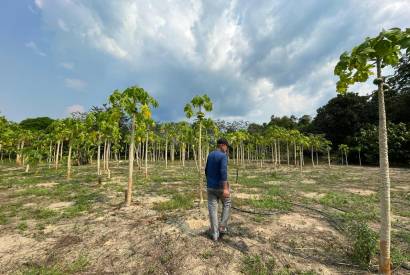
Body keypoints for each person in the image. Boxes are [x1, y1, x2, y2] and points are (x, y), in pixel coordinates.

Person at [205, 137, 231, 241]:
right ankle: (223, 226)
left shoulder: (210, 155)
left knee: (212, 209)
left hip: (210, 187)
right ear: (222, 145)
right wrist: (225, 188)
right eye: (226, 147)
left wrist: (210, 181)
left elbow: (206, 170)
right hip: (220, 187)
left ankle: (215, 234)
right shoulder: (223, 156)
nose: (226, 149)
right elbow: (223, 172)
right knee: (227, 203)